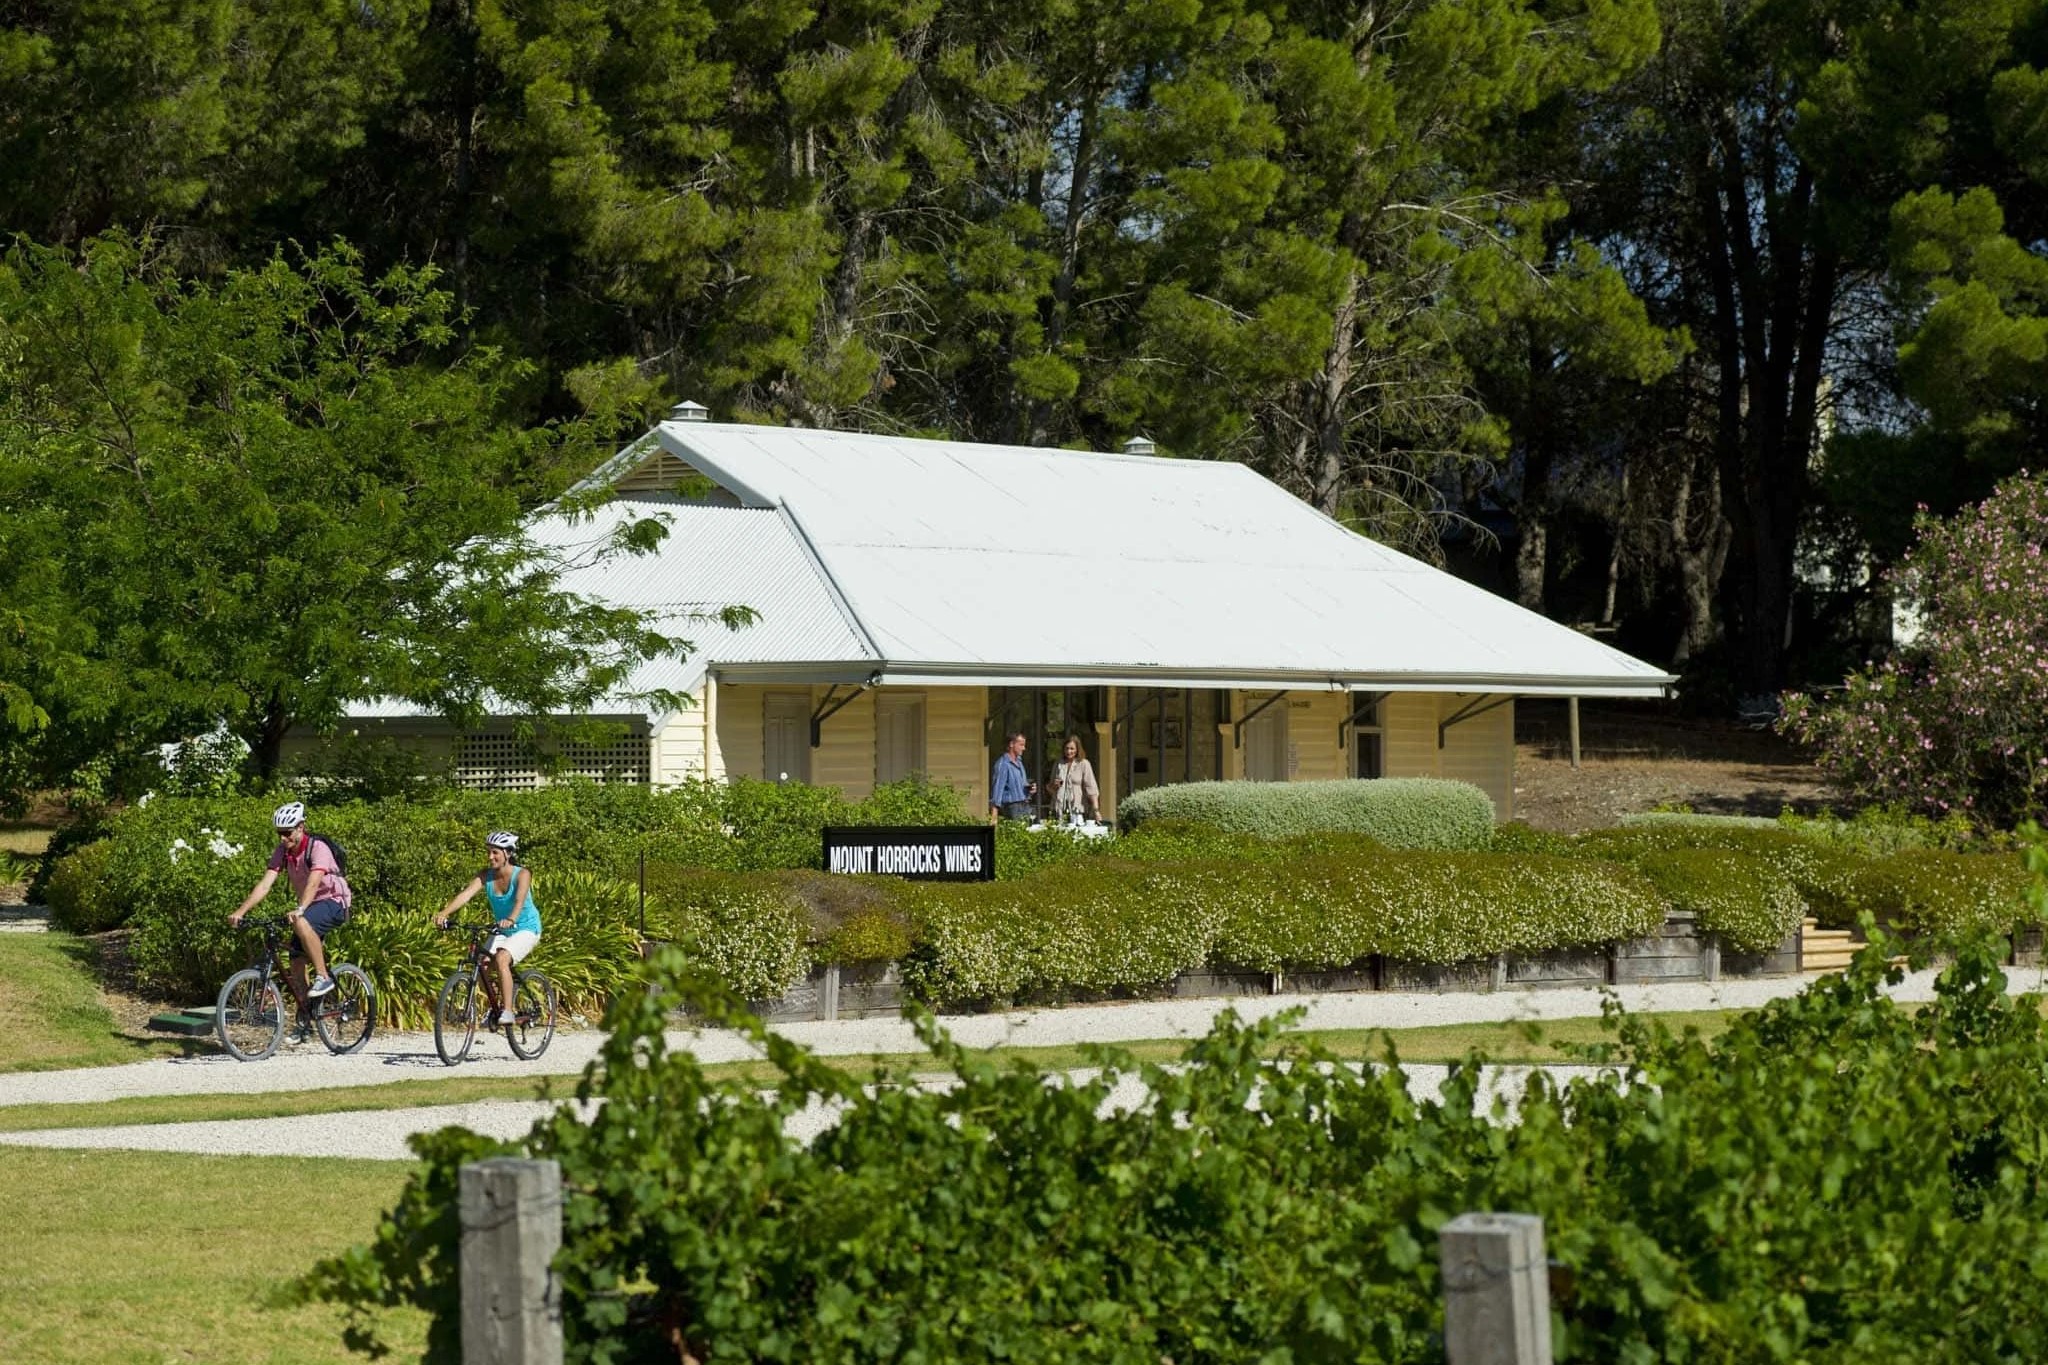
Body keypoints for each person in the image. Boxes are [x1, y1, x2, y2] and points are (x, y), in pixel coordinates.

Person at [230, 801, 350, 1011]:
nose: (282, 838)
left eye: (286, 833)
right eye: (279, 833)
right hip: (311, 906)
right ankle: (304, 1019)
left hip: (334, 902)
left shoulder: (317, 848)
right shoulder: (283, 851)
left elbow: (314, 883)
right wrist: (241, 911)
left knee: (301, 922)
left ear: (300, 828)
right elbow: (265, 884)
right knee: (296, 962)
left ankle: (324, 977)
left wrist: (300, 909)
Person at [434, 831, 542, 1028]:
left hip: (526, 927)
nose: (490, 857)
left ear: (508, 853)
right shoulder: (486, 876)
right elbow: (465, 895)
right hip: (503, 929)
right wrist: (444, 913)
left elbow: (519, 900)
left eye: (495, 853)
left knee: (501, 958)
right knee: (482, 965)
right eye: (489, 852)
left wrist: (511, 918)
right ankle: (496, 1007)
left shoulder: (522, 874)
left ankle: (508, 1011)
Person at [1048, 734, 1101, 824]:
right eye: (1067, 748)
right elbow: (1050, 788)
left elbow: (1091, 789)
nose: (1069, 751)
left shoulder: (1084, 764)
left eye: (1072, 748)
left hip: (1077, 810)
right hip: (1059, 810)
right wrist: (1054, 785)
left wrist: (1096, 810)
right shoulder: (1058, 764)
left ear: (1077, 749)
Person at [989, 730, 1036, 822]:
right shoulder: (1003, 764)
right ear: (1011, 744)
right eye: (1021, 745)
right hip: (1011, 808)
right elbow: (997, 791)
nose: (1024, 748)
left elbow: (1021, 786)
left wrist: (1030, 790)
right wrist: (994, 817)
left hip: (1024, 805)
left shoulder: (1019, 763)